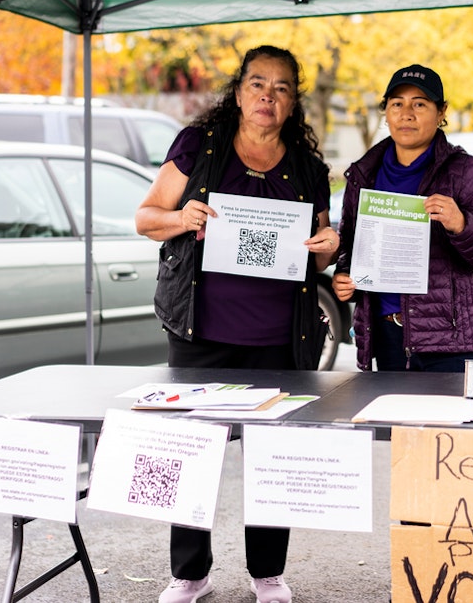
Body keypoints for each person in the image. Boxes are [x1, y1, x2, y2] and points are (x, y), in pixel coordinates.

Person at [136, 45, 338, 603]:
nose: (267, 97)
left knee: (273, 461)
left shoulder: (308, 169)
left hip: (279, 341)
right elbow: (146, 217)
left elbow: (318, 254)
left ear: (294, 100)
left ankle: (268, 574)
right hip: (200, 335)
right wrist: (181, 217)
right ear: (239, 90)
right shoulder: (199, 147)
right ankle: (189, 575)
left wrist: (330, 245)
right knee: (190, 458)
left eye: (280, 88)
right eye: (257, 84)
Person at [331, 64, 473, 372]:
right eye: (397, 103)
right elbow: (351, 248)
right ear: (386, 112)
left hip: (449, 343)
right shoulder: (364, 174)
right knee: (387, 421)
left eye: (420, 104)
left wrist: (461, 224)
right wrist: (346, 281)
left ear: (441, 113)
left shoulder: (465, 172)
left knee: (446, 422)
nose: (406, 113)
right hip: (384, 338)